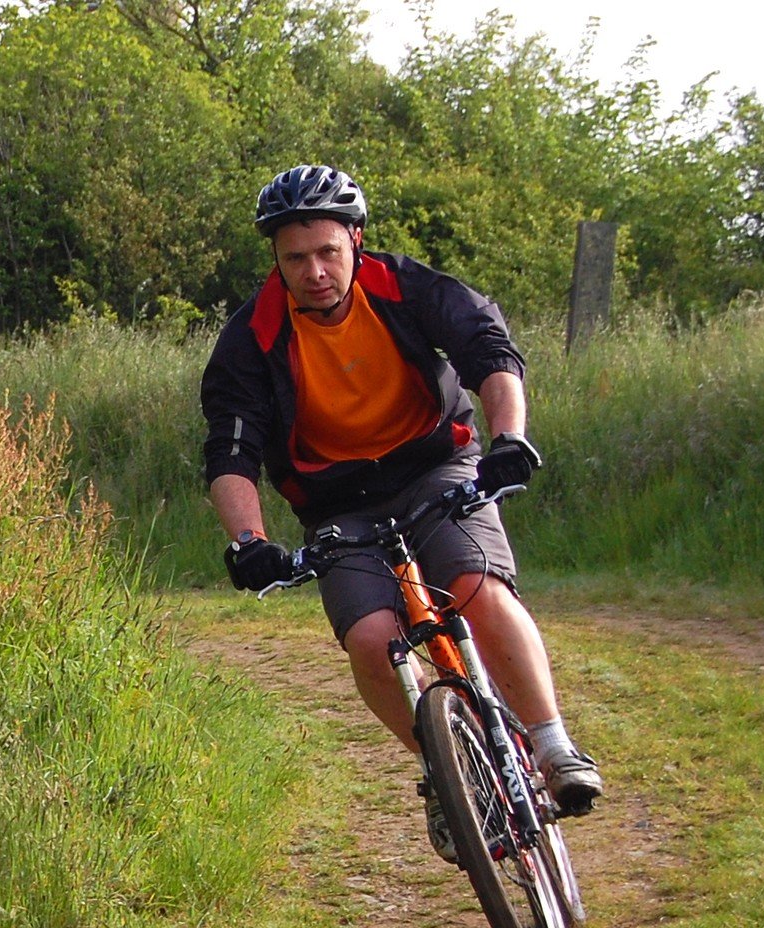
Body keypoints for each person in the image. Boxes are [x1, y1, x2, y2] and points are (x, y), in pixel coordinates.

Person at [200, 163, 603, 863]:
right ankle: (446, 771)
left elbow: (488, 351)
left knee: (475, 588)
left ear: (355, 240)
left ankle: (553, 744)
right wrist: (249, 540)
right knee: (371, 638)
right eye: (295, 259)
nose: (315, 272)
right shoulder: (252, 337)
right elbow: (231, 450)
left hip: (435, 465)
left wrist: (508, 440)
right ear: (276, 261)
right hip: (336, 503)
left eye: (328, 252)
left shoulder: (403, 286)